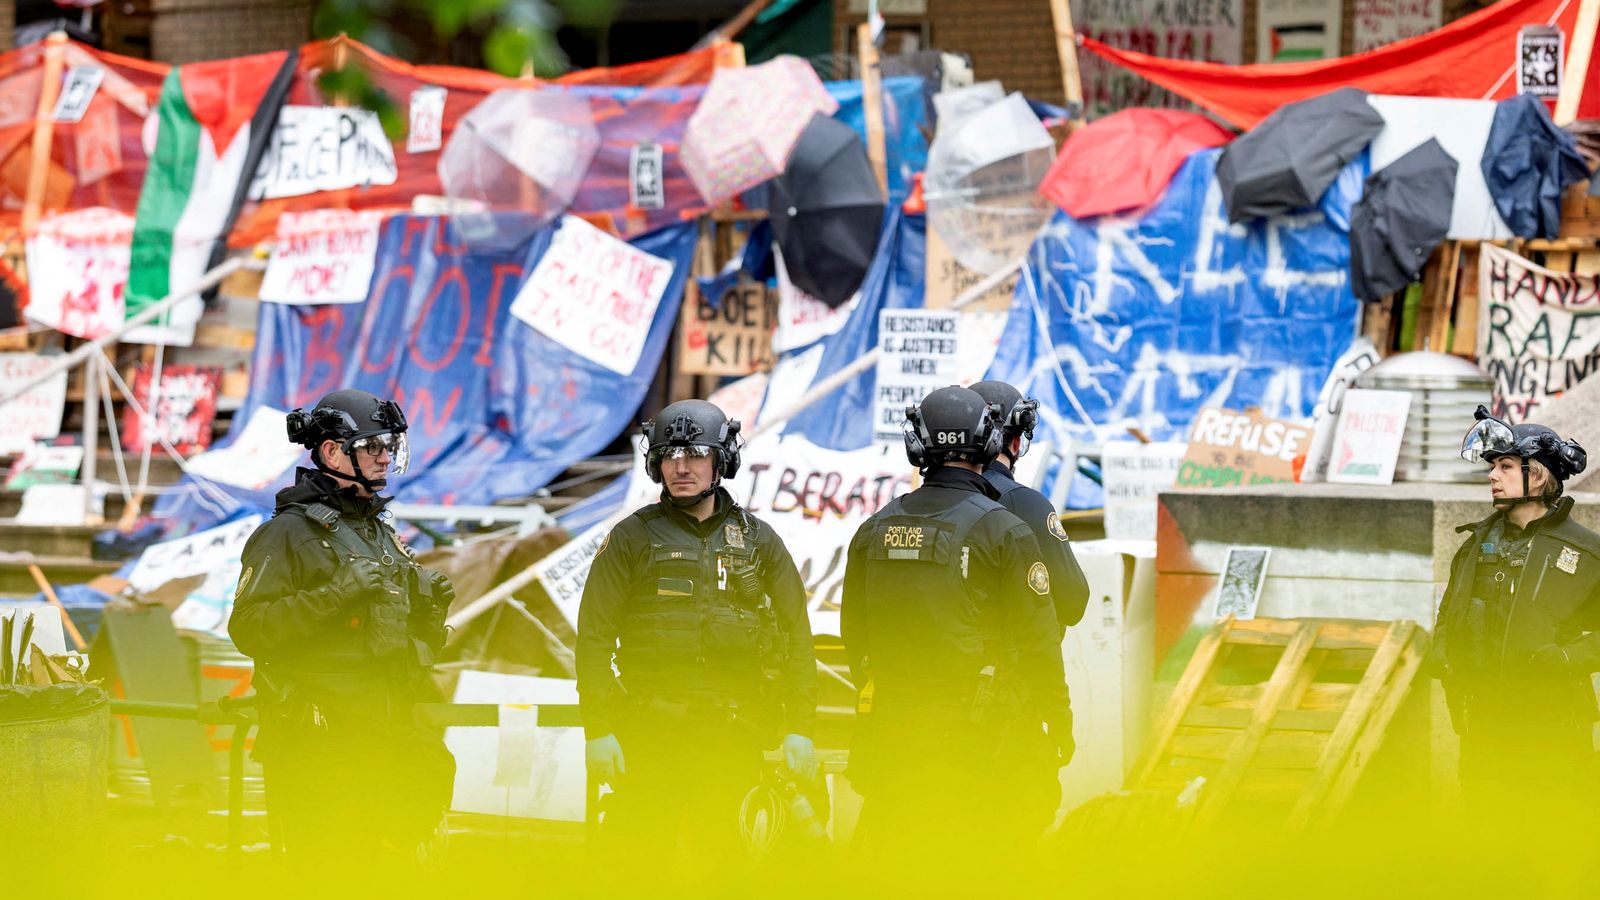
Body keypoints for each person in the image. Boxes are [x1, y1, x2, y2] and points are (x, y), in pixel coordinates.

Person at [576, 399, 817, 877]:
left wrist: (801, 726)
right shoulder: (630, 538)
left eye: (694, 455)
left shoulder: (759, 541)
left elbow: (796, 638)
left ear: (721, 460)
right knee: (632, 869)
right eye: (669, 456)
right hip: (650, 736)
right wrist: (598, 729)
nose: (680, 467)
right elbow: (594, 638)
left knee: (724, 867)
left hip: (732, 737)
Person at [840, 385, 1074, 878]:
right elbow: (1038, 641)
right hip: (978, 744)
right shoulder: (1006, 530)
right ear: (991, 443)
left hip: (895, 735)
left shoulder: (874, 528)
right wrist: (1059, 719)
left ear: (917, 445)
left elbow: (855, 637)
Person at [229, 389, 457, 873]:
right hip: (318, 743)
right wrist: (333, 596)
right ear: (332, 451)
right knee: (331, 869)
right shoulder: (286, 534)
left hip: (383, 731)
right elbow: (249, 627)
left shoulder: (378, 532)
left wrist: (426, 615)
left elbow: (389, 640)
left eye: (388, 446)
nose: (384, 456)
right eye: (371, 445)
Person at [1432, 405, 1600, 830]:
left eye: (1505, 466)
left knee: (1551, 838)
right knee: (1487, 835)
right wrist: (1443, 658)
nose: (1492, 475)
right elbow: (1449, 613)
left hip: (1552, 727)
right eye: (1493, 467)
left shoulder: (1585, 553)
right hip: (1484, 725)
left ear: (1539, 475)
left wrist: (1565, 659)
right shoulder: (1476, 545)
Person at [970, 380, 1090, 635]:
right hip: (1005, 670)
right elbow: (1073, 602)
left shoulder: (907, 507)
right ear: (1015, 443)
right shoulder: (1025, 503)